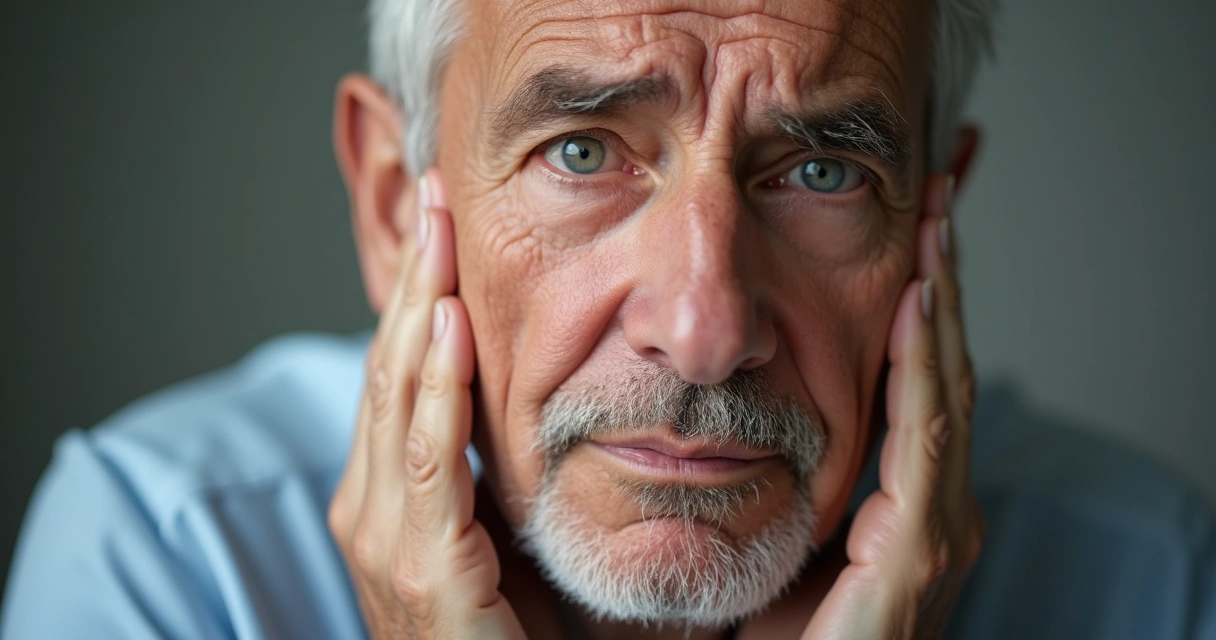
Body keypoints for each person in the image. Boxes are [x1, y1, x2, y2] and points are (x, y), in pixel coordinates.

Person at [4, 0, 1215, 638]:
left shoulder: (1153, 585)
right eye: (581, 149)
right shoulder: (166, 566)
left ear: (930, 231)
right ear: (390, 205)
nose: (704, 327)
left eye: (820, 172)